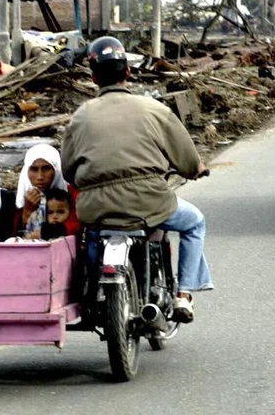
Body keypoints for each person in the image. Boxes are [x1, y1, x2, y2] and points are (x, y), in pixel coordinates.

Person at [60, 36, 212, 323]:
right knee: (194, 223)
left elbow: (68, 170)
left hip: (97, 209)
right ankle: (184, 295)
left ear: (94, 78)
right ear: (127, 71)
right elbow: (188, 161)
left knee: (91, 236)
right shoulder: (155, 109)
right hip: (150, 204)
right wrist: (196, 169)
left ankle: (92, 290)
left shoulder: (80, 117)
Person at [15, 143, 67, 236]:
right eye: (34, 169)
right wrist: (27, 211)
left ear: (57, 170)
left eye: (46, 168)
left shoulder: (70, 196)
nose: (40, 177)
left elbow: (72, 229)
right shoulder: (14, 200)